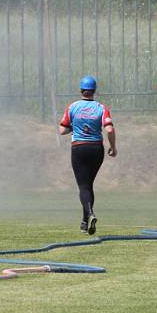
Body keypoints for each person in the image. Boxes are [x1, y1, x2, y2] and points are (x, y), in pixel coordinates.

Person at [59, 75, 116, 235]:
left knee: (83, 186)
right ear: (94, 91)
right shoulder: (101, 107)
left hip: (79, 148)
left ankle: (90, 214)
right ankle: (85, 222)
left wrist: (75, 128)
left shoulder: (72, 107)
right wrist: (113, 147)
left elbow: (62, 130)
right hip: (96, 149)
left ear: (81, 90)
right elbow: (109, 129)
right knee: (88, 185)